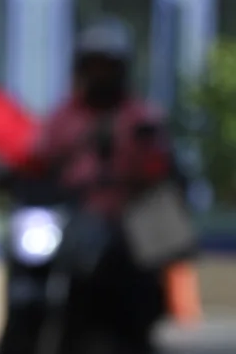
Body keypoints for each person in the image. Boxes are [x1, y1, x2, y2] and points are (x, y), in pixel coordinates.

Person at [33, 19, 178, 222]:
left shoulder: (142, 116)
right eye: (94, 66)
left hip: (136, 216)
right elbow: (42, 159)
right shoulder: (64, 117)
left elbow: (161, 167)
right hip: (74, 213)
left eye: (107, 67)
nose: (100, 74)